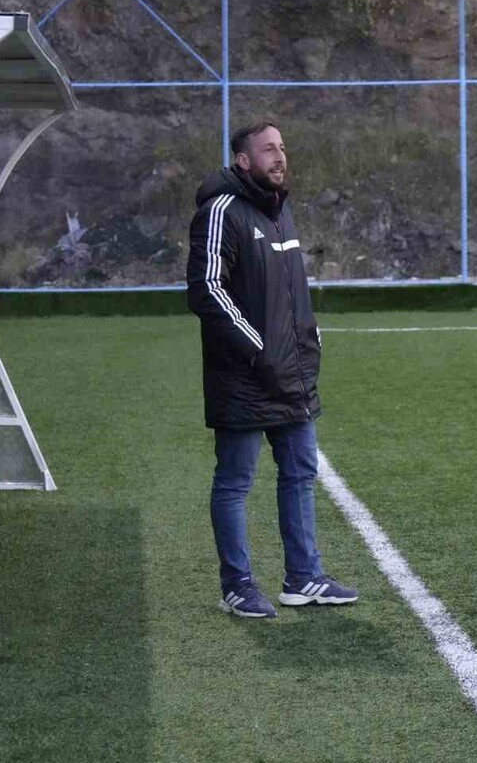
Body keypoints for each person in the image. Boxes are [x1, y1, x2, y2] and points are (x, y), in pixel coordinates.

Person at [186, 120, 358, 618]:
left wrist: (309, 342)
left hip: (292, 374)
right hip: (243, 375)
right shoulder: (220, 211)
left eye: (282, 147)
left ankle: (304, 578)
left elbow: (293, 294)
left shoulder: (280, 212)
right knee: (235, 481)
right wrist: (258, 349)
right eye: (268, 149)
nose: (279, 156)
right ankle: (237, 584)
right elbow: (207, 291)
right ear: (243, 160)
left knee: (301, 473)